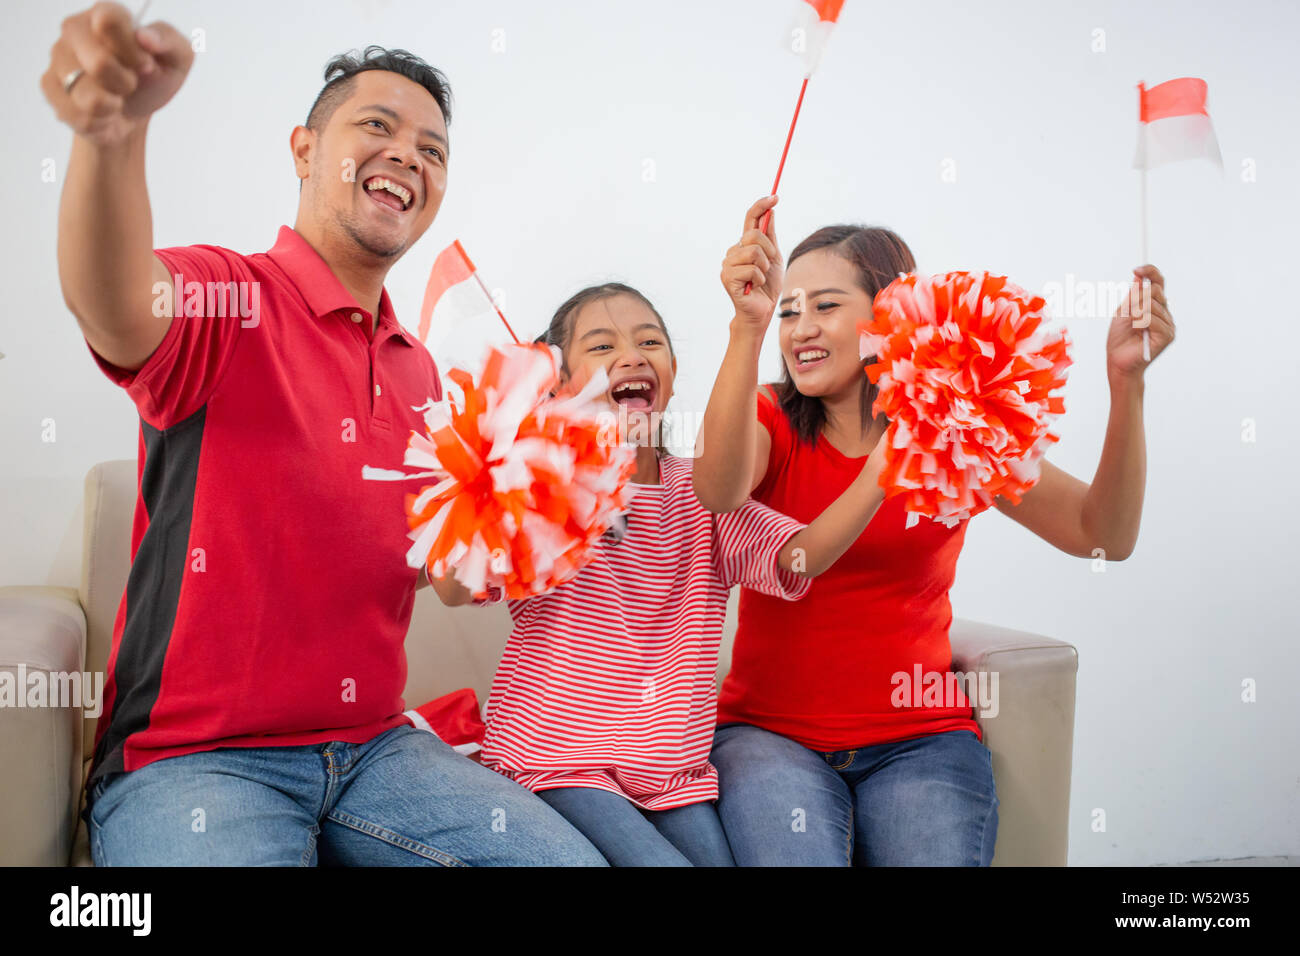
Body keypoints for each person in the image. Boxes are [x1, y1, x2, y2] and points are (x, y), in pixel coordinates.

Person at [42, 1, 605, 866]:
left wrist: (536, 514)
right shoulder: (229, 300)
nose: (407, 157)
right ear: (304, 151)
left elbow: (439, 571)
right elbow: (114, 303)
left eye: (432, 150)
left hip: (378, 750)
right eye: (376, 126)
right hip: (199, 763)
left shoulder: (423, 375)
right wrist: (113, 136)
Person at [692, 195, 1175, 866]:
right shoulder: (771, 416)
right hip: (769, 739)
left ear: (887, 315)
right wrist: (745, 328)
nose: (800, 326)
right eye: (787, 309)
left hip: (919, 741)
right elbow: (716, 489)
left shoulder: (957, 429)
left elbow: (1103, 536)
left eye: (826, 305)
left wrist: (1128, 384)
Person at [431, 281, 890, 865]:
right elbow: (451, 586)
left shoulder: (706, 493)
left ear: (671, 373)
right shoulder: (540, 494)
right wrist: (491, 472)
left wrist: (882, 468)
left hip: (673, 776)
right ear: (560, 387)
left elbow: (800, 556)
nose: (631, 354)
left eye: (650, 341)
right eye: (601, 347)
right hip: (556, 763)